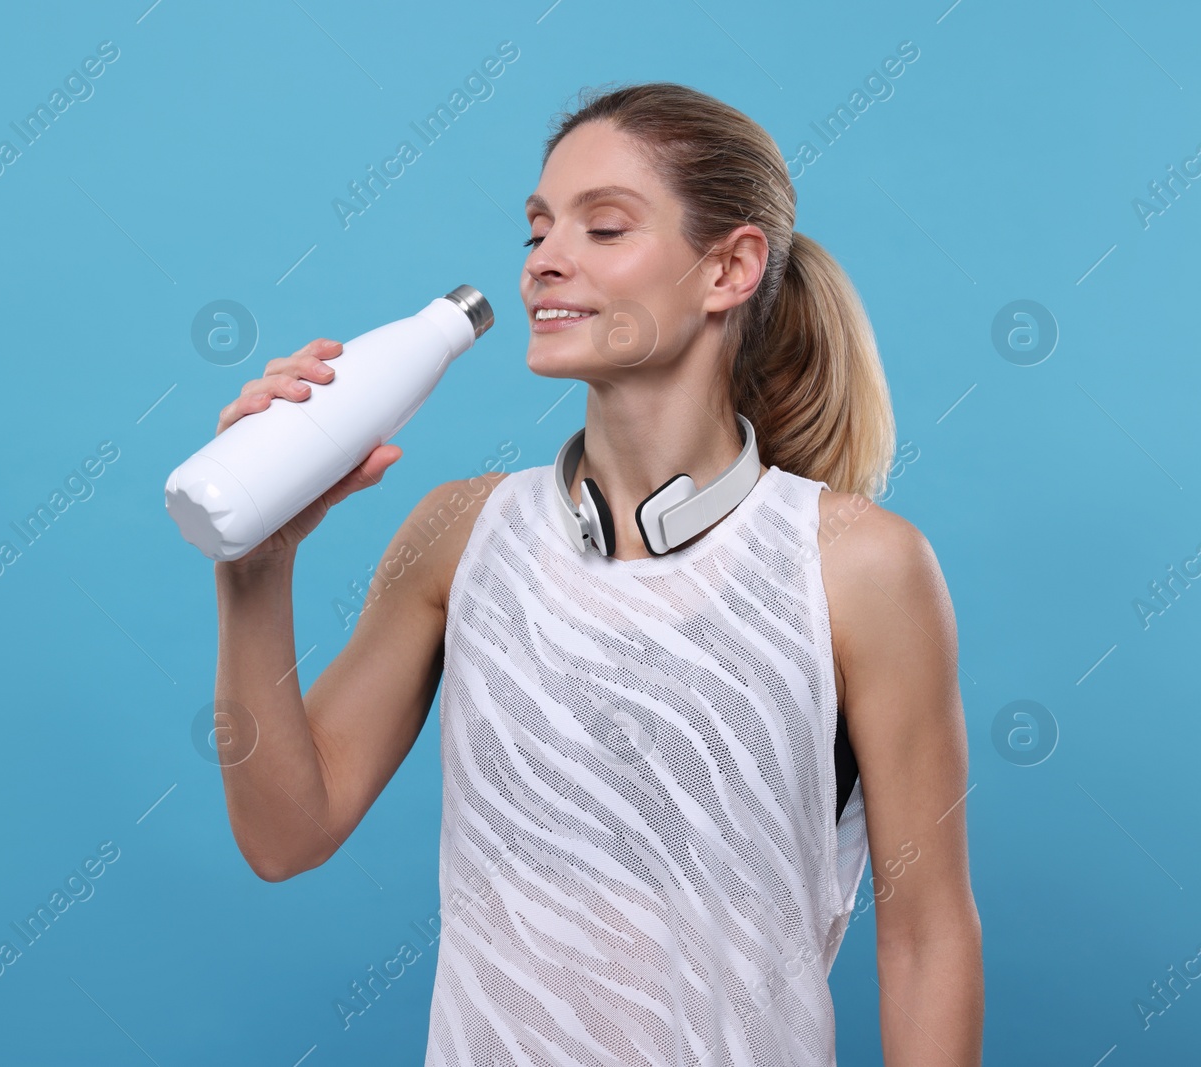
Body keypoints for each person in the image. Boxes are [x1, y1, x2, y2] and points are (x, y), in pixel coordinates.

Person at [209, 81, 981, 1066]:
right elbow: (286, 833)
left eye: (603, 227)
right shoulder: (458, 529)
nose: (544, 261)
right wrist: (255, 569)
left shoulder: (860, 565)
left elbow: (925, 935)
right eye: (536, 230)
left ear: (729, 268)